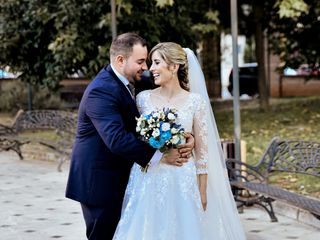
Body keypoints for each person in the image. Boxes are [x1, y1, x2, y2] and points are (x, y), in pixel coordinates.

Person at [65, 33, 194, 240]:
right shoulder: (101, 91)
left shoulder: (130, 82)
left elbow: (163, 108)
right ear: (120, 60)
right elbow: (116, 139)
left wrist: (186, 136)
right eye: (141, 61)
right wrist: (162, 156)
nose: (146, 67)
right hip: (99, 184)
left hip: (121, 179)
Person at [113, 42, 247, 240]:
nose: (151, 69)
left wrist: (202, 191)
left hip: (183, 179)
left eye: (157, 62)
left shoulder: (195, 102)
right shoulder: (142, 99)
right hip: (148, 179)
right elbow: (134, 139)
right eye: (151, 63)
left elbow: (203, 153)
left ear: (174, 67)